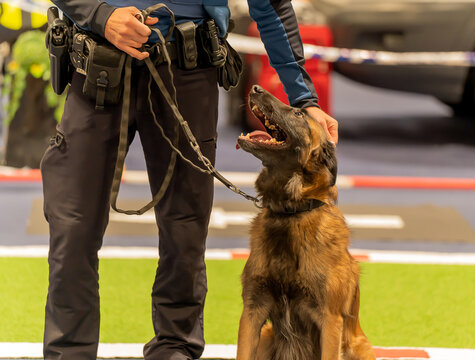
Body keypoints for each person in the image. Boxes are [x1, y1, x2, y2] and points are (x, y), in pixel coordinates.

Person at [41, 1, 339, 359]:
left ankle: (175, 348)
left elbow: (271, 4)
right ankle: (68, 354)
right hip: (96, 64)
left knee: (185, 231)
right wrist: (101, 17)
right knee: (72, 227)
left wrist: (303, 97)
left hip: (188, 68)